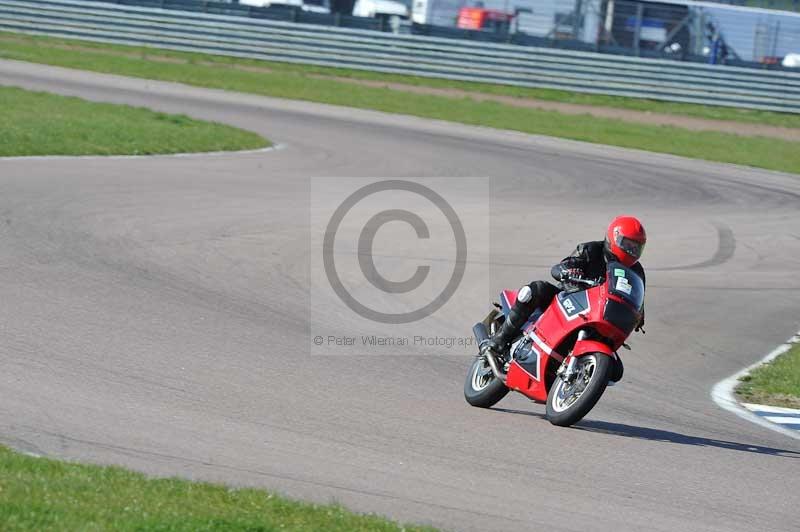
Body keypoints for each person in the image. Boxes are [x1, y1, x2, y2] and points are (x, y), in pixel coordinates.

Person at [482, 215, 647, 355]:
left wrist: (638, 315)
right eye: (627, 244)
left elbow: (637, 300)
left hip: (600, 313)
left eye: (636, 247)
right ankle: (500, 338)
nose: (631, 250)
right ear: (614, 237)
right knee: (536, 289)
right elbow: (564, 265)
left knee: (616, 368)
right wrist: (569, 272)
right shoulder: (591, 250)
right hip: (571, 297)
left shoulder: (637, 272)